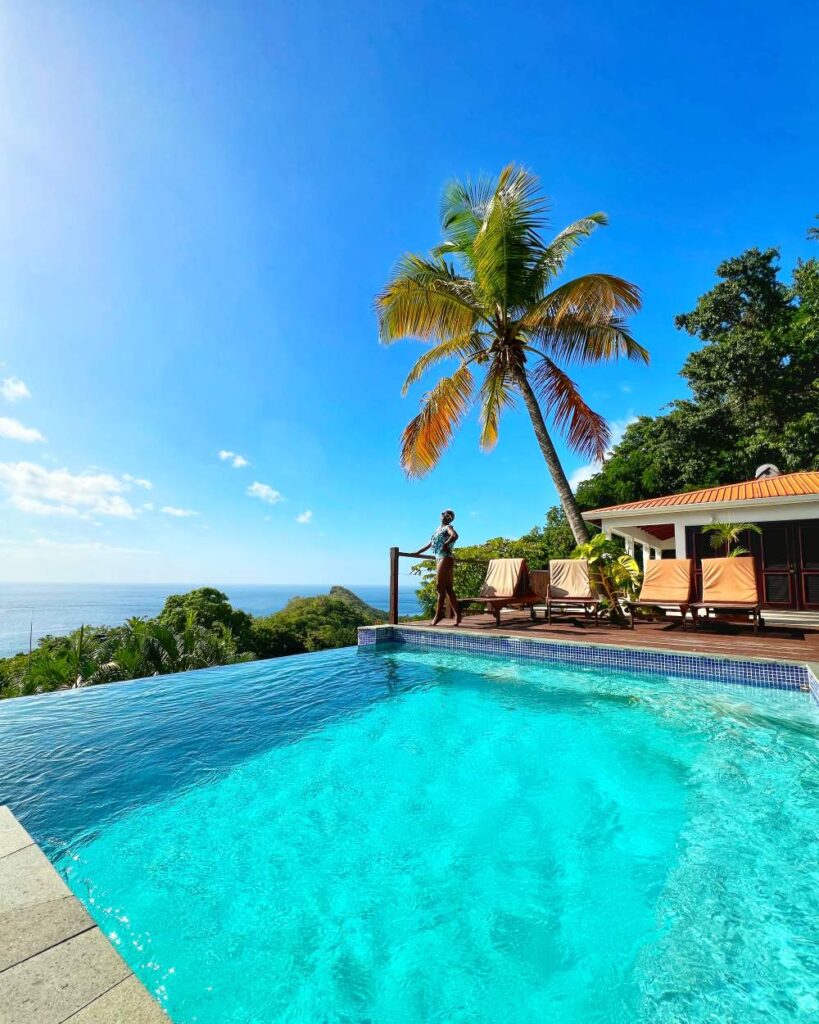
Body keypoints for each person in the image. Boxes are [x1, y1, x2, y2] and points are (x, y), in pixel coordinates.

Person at [414, 509, 460, 626]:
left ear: (451, 518)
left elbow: (455, 536)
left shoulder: (448, 528)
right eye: (443, 513)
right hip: (440, 558)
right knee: (448, 589)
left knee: (440, 587)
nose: (445, 515)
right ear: (440, 516)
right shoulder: (438, 530)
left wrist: (445, 544)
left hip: (445, 557)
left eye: (448, 515)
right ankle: (458, 615)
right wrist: (417, 552)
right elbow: (430, 543)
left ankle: (439, 614)